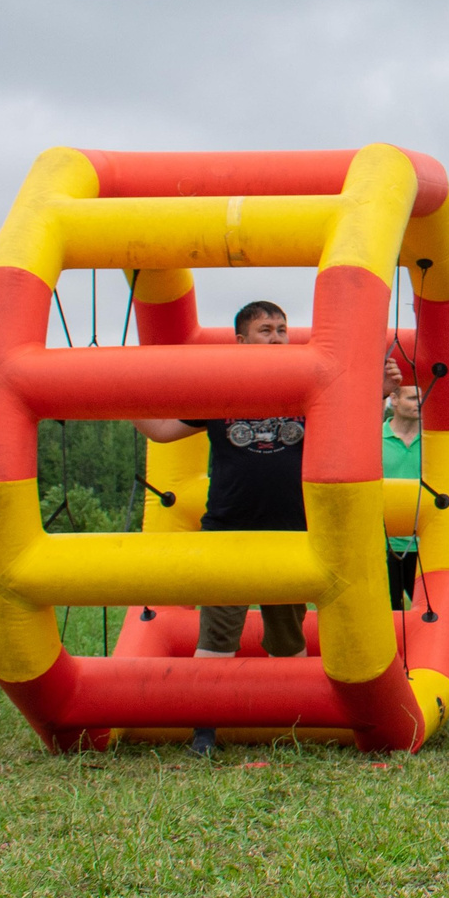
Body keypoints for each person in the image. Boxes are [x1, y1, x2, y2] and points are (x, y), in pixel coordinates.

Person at [130, 300, 307, 757]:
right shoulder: (220, 391)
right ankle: (204, 731)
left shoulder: (305, 389)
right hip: (228, 530)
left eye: (283, 329)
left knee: (288, 639)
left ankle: (296, 724)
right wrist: (121, 392)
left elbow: (356, 420)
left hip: (290, 534)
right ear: (242, 341)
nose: (277, 337)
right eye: (265, 330)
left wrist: (382, 391)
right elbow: (163, 430)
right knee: (217, 635)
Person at [382, 379, 425, 610]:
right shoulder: (373, 439)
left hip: (423, 546)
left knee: (429, 613)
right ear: (394, 399)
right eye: (412, 398)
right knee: (388, 614)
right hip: (382, 546)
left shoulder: (434, 442)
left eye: (422, 397)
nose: (420, 403)